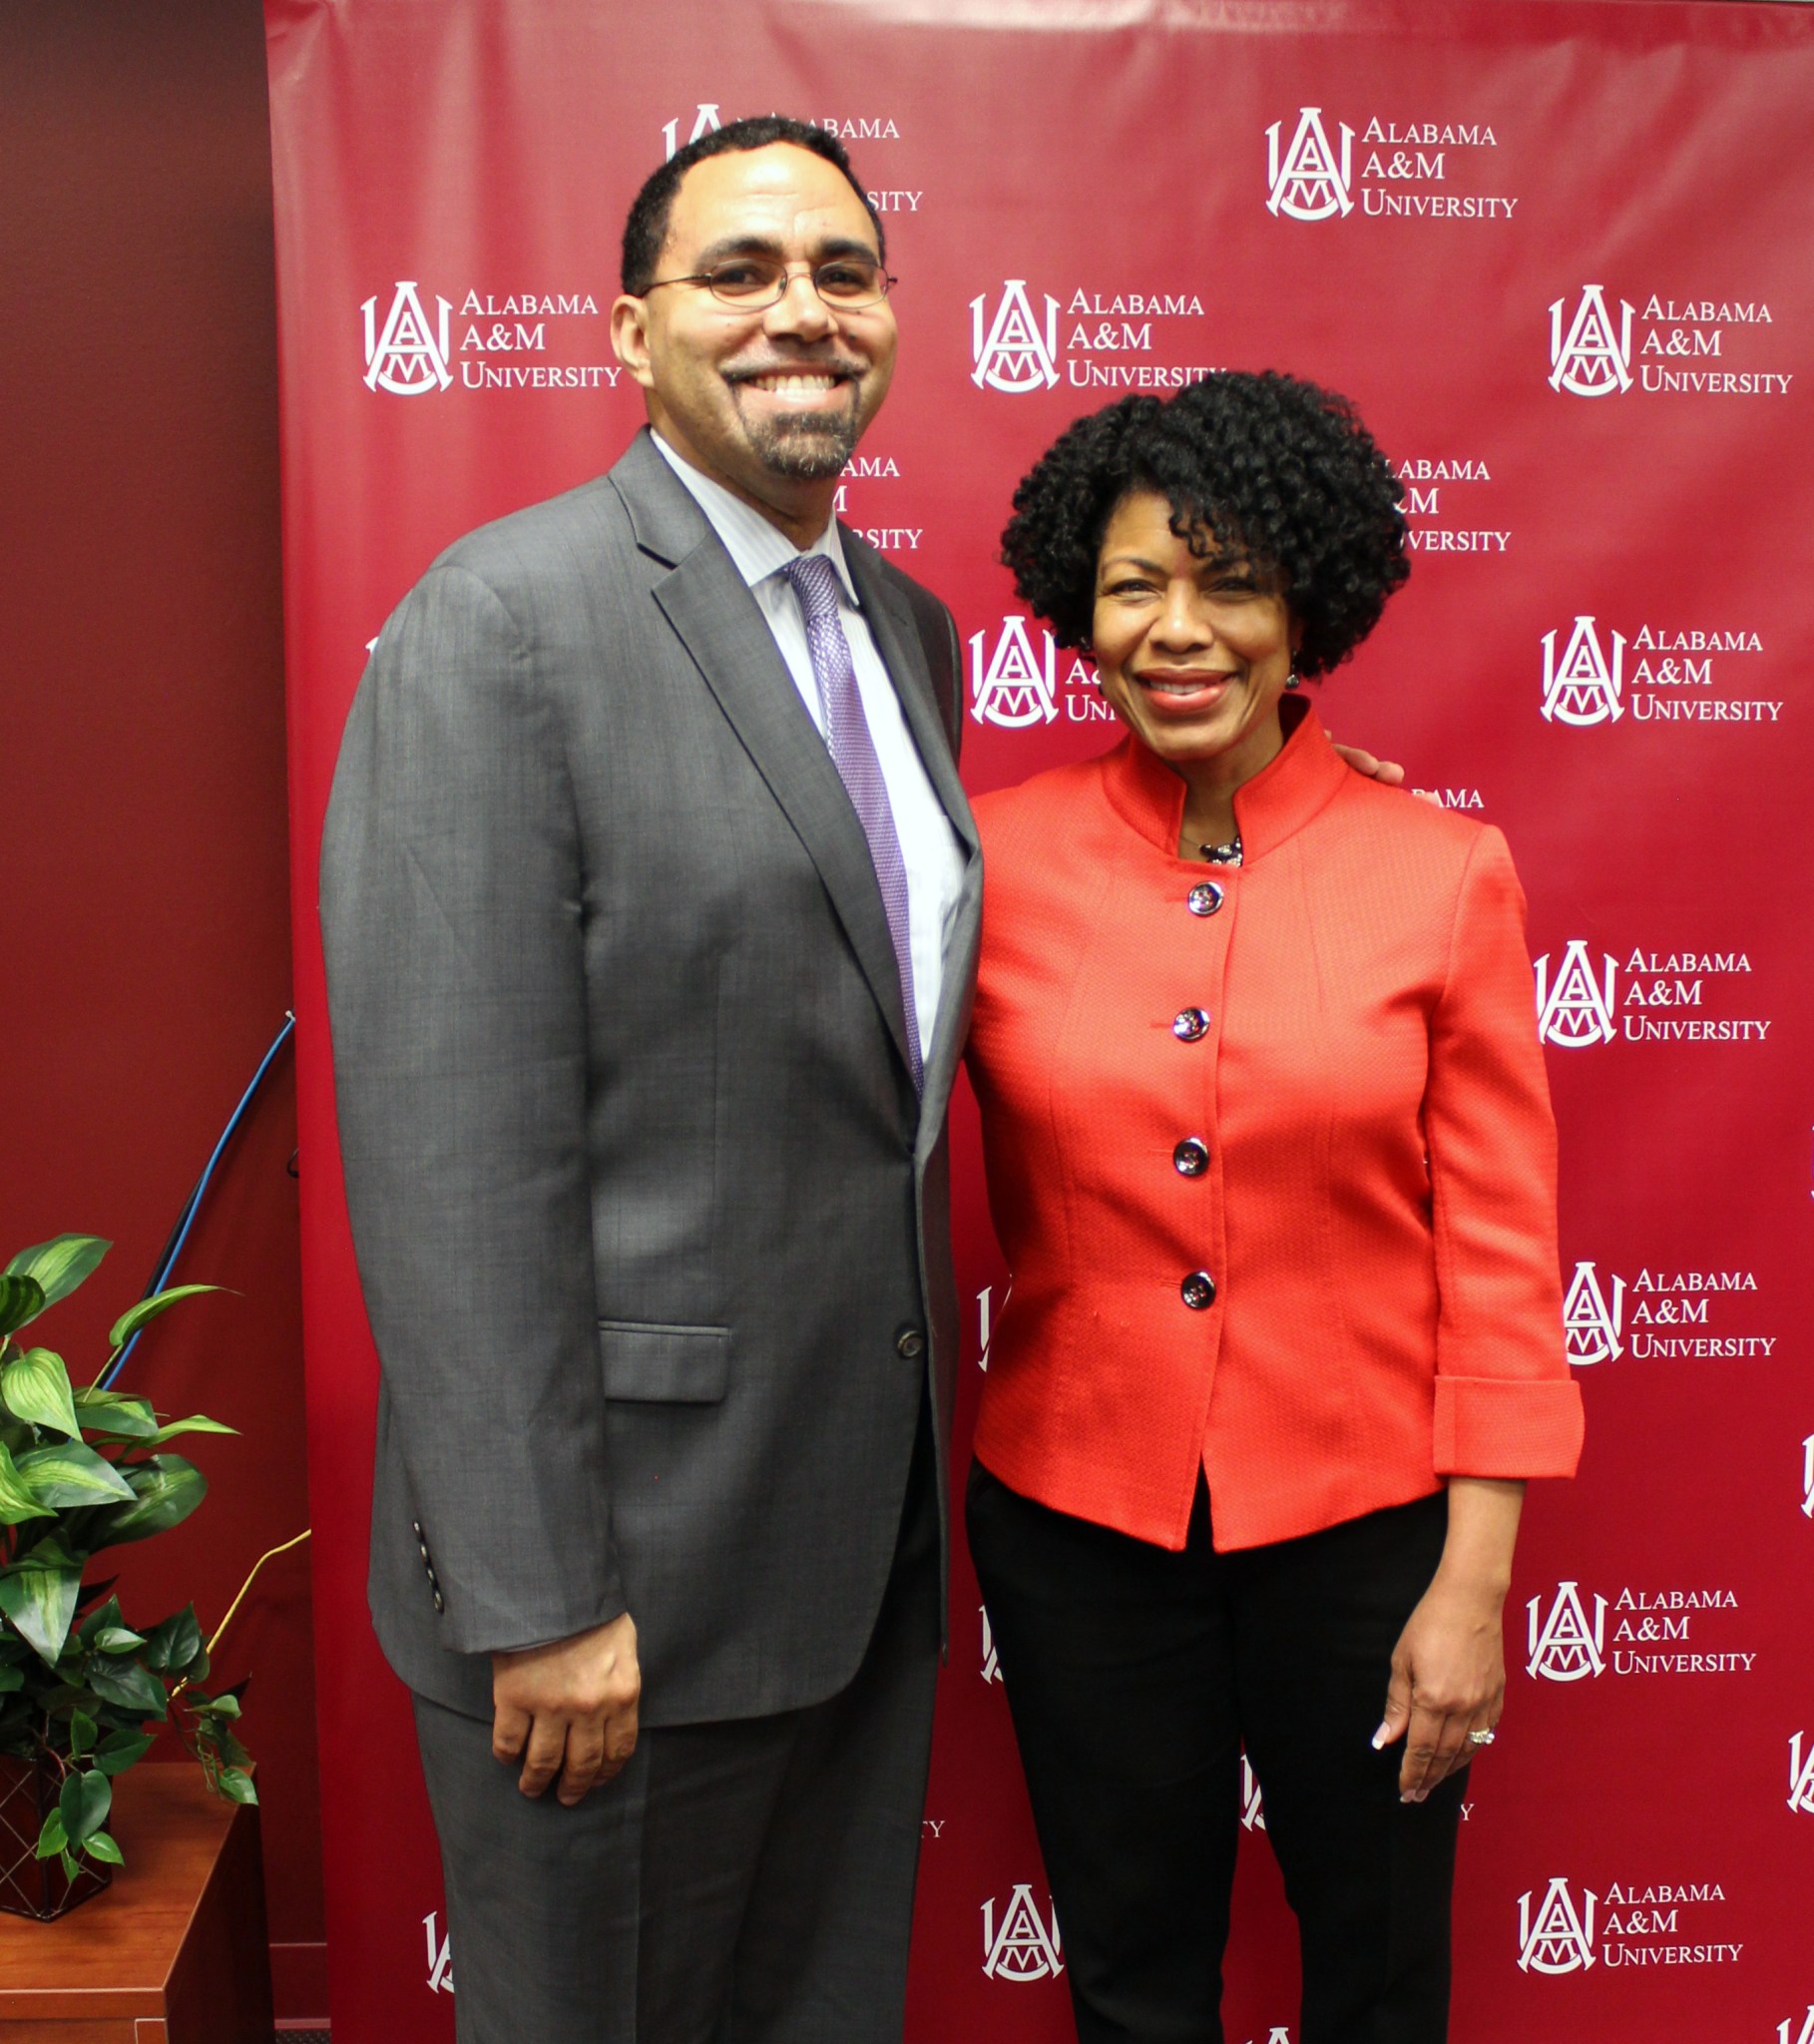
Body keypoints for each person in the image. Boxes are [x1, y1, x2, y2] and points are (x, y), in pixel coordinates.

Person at [319, 117, 979, 2043]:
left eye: (843, 274)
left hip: (850, 1558)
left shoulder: (909, 631)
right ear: (630, 331)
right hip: (614, 1592)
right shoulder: (503, 623)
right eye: (742, 273)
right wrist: (535, 1598)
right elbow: (453, 1154)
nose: (804, 315)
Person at [962, 372, 1586, 2044]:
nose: (1179, 630)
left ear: (1305, 600)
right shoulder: (986, 859)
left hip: (1368, 1528)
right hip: (1078, 1523)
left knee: (1378, 1975)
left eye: (1227, 581)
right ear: (1073, 611)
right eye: (1132, 585)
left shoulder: (1438, 869)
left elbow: (1506, 1258)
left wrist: (1470, 1586)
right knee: (1131, 1975)